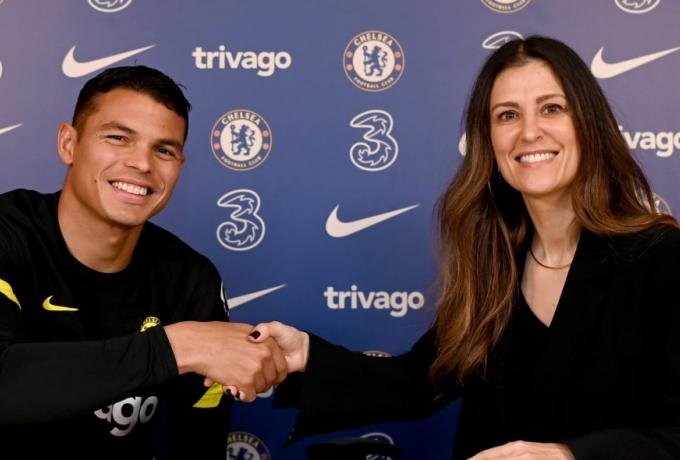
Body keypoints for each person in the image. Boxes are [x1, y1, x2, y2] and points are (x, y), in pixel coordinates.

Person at [247, 35, 680, 459]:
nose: (529, 132)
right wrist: (306, 353)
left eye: (552, 108)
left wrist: (568, 455)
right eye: (507, 115)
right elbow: (419, 382)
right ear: (487, 139)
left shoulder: (660, 256)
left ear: (589, 124)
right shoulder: (498, 260)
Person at [0, 66, 287, 458]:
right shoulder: (9, 234)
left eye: (164, 150)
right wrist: (178, 348)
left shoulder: (191, 278)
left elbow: (197, 441)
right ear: (69, 143)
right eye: (118, 138)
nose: (142, 164)